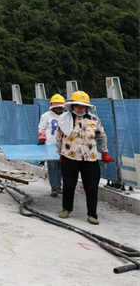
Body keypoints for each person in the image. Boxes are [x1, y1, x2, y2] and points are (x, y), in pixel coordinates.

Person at [55, 90, 114, 225]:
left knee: (92, 186)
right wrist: (60, 153)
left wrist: (104, 152)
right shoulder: (65, 120)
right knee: (69, 184)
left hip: (90, 158)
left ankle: (92, 214)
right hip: (70, 157)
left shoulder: (94, 120)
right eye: (77, 106)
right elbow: (59, 137)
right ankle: (66, 209)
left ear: (87, 107)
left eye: (83, 106)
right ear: (73, 107)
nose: (80, 109)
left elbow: (101, 136)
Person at [38, 94, 66, 197]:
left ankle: (59, 186)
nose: (59, 109)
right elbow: (41, 128)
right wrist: (42, 139)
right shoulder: (46, 116)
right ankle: (54, 187)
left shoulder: (66, 116)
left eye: (60, 107)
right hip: (50, 145)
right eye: (57, 107)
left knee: (62, 167)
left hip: (64, 146)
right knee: (52, 166)